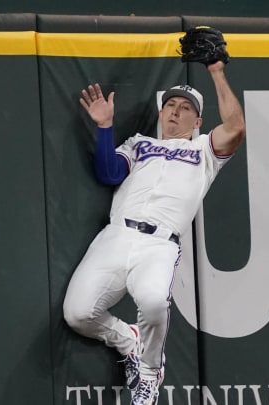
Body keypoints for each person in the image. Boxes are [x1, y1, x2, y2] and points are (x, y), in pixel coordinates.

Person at [62, 60, 245, 405]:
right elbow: (110, 173)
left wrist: (217, 72)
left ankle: (148, 375)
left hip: (159, 244)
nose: (175, 112)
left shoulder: (204, 151)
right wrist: (105, 127)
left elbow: (235, 127)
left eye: (185, 108)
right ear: (161, 114)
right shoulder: (138, 143)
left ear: (198, 121)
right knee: (77, 313)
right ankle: (130, 342)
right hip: (116, 236)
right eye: (170, 106)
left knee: (152, 301)